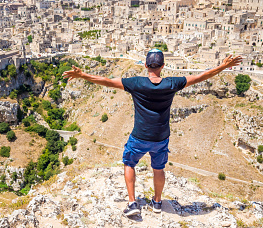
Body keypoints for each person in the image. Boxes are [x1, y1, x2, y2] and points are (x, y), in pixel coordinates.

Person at [63, 50, 243, 216]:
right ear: (163, 66)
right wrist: (224, 66)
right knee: (158, 168)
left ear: (146, 66)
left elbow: (106, 81)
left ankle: (133, 203)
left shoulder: (136, 83)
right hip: (161, 137)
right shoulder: (172, 83)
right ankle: (157, 202)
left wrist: (82, 75)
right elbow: (202, 76)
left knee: (129, 163)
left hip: (139, 136)